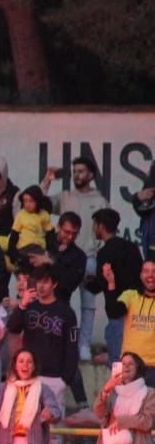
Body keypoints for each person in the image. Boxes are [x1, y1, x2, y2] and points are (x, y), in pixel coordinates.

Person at [6, 265, 84, 444]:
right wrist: (22, 304)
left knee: (53, 427)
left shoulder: (66, 312)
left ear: (54, 284)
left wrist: (65, 378)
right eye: (37, 281)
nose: (41, 286)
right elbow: (12, 327)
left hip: (54, 376)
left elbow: (72, 346)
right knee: (25, 423)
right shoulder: (28, 307)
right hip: (29, 375)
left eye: (46, 281)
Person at [44, 159, 105, 360]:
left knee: (88, 305)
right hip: (64, 256)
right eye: (75, 171)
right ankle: (62, 343)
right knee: (61, 301)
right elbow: (39, 203)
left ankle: (84, 346)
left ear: (91, 175)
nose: (77, 175)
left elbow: (106, 230)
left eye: (81, 171)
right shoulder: (65, 197)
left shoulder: (100, 200)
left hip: (88, 257)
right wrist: (47, 180)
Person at [85, 210, 143, 361]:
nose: (93, 228)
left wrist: (86, 283)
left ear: (101, 226)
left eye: (94, 225)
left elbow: (103, 281)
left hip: (117, 310)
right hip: (137, 311)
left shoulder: (105, 252)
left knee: (117, 362)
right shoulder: (132, 247)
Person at [105, 259, 155, 382]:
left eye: (154, 271)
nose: (150, 275)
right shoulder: (130, 295)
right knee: (120, 401)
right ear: (140, 275)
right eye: (146, 271)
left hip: (153, 367)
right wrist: (111, 283)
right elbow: (113, 312)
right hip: (126, 364)